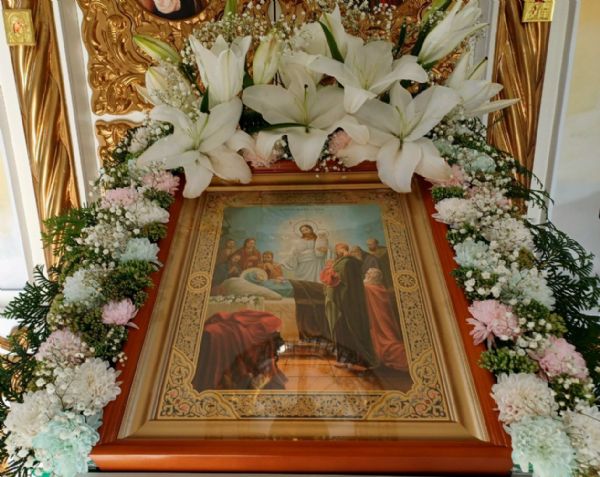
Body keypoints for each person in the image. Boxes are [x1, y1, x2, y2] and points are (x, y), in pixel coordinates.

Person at [322, 243, 377, 371]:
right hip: (343, 303)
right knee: (342, 332)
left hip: (345, 304)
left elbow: (345, 284)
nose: (336, 252)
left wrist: (333, 284)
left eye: (338, 250)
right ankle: (344, 360)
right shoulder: (344, 262)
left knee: (350, 332)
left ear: (342, 250)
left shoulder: (347, 263)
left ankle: (357, 362)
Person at [363, 268, 408, 370]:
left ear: (372, 277)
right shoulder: (381, 288)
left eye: (368, 274)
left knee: (386, 341)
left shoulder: (368, 288)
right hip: (384, 320)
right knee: (390, 337)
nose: (366, 274)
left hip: (380, 323)